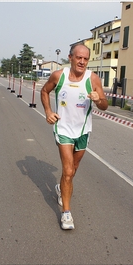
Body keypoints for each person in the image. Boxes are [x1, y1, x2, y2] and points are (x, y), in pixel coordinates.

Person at [40, 43, 108, 230]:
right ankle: (66, 213)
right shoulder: (58, 76)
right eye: (79, 57)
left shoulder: (93, 79)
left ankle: (62, 188)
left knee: (73, 168)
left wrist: (98, 99)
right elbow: (44, 91)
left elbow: (104, 105)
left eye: (85, 59)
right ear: (70, 57)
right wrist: (48, 111)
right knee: (68, 171)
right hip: (63, 129)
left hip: (83, 130)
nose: (82, 62)